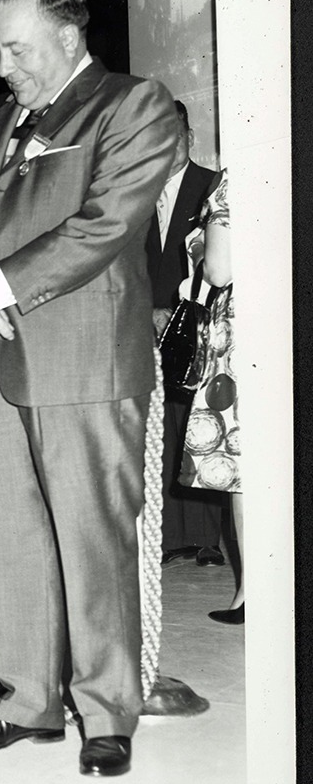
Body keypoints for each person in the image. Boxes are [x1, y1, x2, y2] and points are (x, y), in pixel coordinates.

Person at [0, 0, 177, 778]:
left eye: (17, 48)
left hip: (82, 359)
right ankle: (26, 702)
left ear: (68, 37)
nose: (3, 66)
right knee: (9, 539)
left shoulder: (133, 105)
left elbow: (103, 223)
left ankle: (108, 714)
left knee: (92, 542)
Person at [150, 101, 228, 568]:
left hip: (194, 324)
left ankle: (204, 539)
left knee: (193, 424)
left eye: (175, 132)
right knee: (155, 429)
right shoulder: (133, 191)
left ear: (189, 135)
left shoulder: (211, 185)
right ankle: (164, 536)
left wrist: (177, 311)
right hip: (144, 324)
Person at [177, 172, 242, 622]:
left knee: (247, 472)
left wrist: (200, 249)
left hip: (248, 334)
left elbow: (220, 270)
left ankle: (253, 593)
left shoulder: (234, 183)